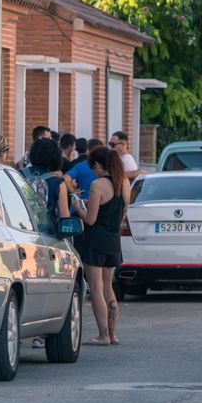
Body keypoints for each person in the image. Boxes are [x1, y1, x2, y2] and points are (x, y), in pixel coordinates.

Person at [73, 146, 129, 346]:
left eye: (93, 167)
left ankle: (102, 335)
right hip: (113, 240)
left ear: (98, 165)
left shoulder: (98, 184)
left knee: (95, 288)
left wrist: (78, 206)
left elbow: (90, 219)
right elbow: (122, 212)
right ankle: (113, 335)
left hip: (95, 240)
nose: (93, 172)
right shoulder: (124, 183)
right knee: (108, 287)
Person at [28, 138, 70, 223]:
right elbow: (64, 218)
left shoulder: (16, 174)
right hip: (46, 232)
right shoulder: (58, 183)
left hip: (17, 228)